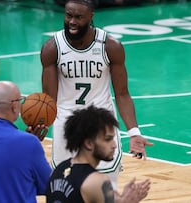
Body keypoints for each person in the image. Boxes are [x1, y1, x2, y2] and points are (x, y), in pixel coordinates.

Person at [40, 0, 153, 190]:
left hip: (101, 124)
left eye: (78, 17)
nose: (72, 22)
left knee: (106, 190)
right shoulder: (52, 48)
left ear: (91, 16)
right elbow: (49, 98)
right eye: (68, 15)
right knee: (65, 189)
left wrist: (134, 132)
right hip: (67, 123)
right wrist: (41, 123)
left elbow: (122, 94)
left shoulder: (110, 46)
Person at [0, 81, 52, 203]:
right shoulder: (29, 143)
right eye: (21, 100)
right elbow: (49, 185)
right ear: (14, 106)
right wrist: (31, 145)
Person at [46, 105, 151, 203]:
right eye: (107, 139)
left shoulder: (59, 170)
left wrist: (121, 199)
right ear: (89, 143)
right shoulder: (96, 181)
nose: (114, 145)